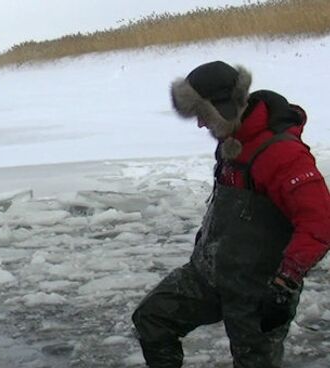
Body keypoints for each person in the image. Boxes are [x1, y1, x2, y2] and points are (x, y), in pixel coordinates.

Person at [132, 61, 330, 367]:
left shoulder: (283, 155)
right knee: (153, 318)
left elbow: (319, 222)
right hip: (209, 276)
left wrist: (285, 284)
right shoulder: (230, 145)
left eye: (202, 113)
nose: (199, 124)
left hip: (259, 292)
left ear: (222, 106)